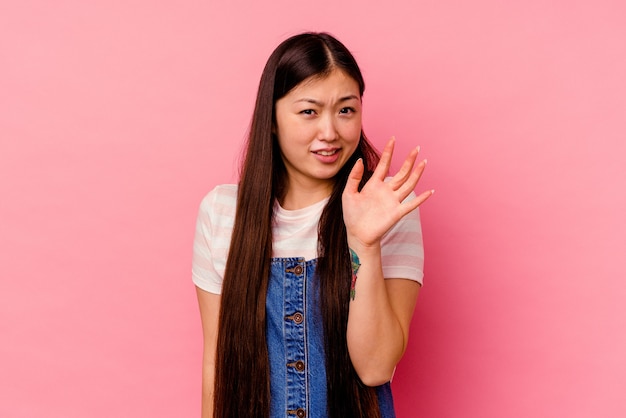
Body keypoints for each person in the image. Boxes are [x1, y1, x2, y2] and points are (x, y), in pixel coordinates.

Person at [192, 32, 433, 418]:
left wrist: (363, 243)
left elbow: (375, 368)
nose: (330, 132)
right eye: (309, 111)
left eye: (346, 110)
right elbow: (216, 367)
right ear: (271, 119)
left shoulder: (389, 208)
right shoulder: (223, 211)